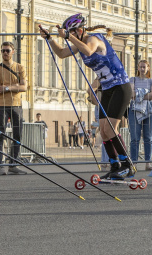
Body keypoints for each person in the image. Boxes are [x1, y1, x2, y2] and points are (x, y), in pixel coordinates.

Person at [39, 15, 133, 179]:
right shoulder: (79, 43)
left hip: (120, 87)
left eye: (72, 33)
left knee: (111, 128)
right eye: (70, 33)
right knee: (103, 131)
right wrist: (49, 39)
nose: (71, 36)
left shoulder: (94, 39)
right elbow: (61, 53)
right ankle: (114, 165)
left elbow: (89, 50)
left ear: (80, 30)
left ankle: (127, 164)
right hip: (107, 89)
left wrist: (68, 37)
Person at [0, 41, 27, 176]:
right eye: (3, 51)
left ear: (13, 52)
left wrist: (7, 87)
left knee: (17, 134)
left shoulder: (20, 68)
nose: (5, 53)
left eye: (7, 50)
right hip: (1, 105)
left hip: (16, 104)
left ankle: (13, 164)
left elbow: (24, 87)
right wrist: (14, 86)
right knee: (1, 133)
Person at [128, 59, 152, 171]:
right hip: (134, 110)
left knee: (148, 138)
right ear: (138, 68)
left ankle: (147, 163)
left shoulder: (151, 81)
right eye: (140, 67)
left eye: (144, 67)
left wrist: (139, 96)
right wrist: (145, 93)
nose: (142, 69)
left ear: (148, 68)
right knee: (134, 138)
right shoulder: (133, 80)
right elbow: (131, 93)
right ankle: (134, 163)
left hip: (149, 110)